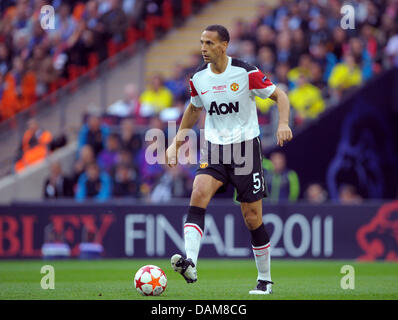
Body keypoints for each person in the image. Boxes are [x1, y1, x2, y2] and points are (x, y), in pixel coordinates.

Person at [165, 25, 292, 295]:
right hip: (214, 148)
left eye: (209, 43)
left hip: (245, 148)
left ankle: (265, 279)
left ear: (224, 45)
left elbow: (280, 95)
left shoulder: (246, 72)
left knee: (252, 217)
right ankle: (191, 263)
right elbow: (193, 108)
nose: (203, 48)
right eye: (201, 42)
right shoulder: (198, 77)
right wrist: (176, 142)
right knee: (198, 192)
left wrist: (283, 123)